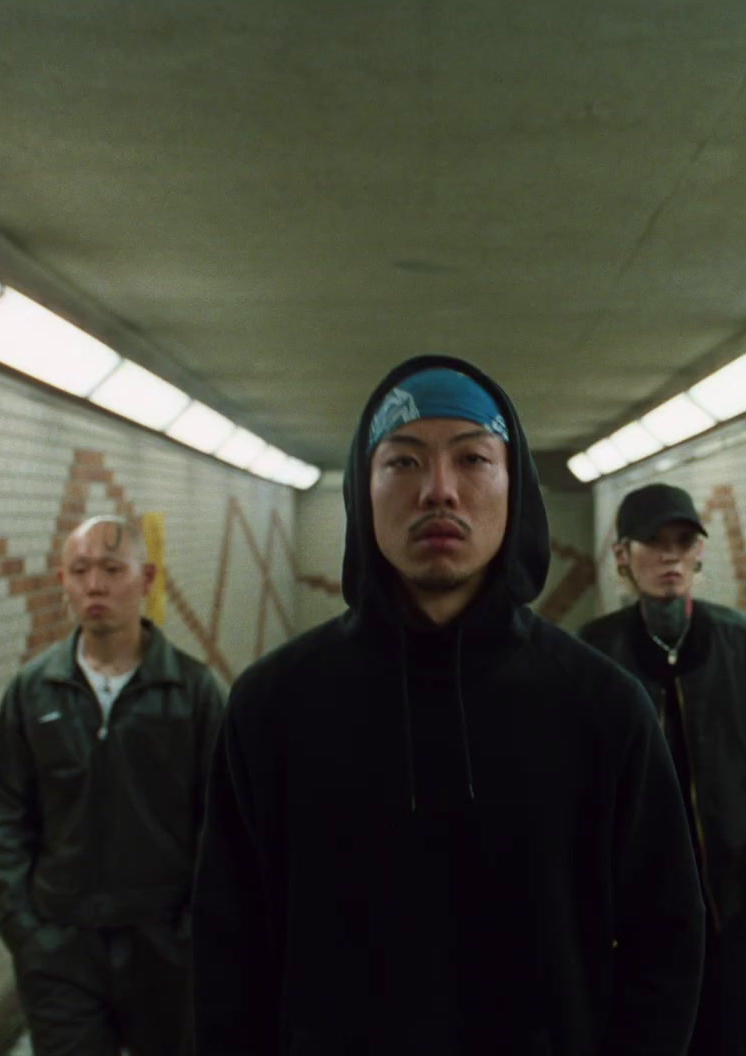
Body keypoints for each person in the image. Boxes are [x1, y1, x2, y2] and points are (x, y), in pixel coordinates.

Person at [191, 356, 704, 1054]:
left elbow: (665, 936)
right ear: (361, 493)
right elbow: (228, 945)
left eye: (472, 460)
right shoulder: (275, 706)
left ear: (514, 487)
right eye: (403, 463)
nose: (440, 491)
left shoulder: (601, 707)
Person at [0, 514, 226, 1056]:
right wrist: (25, 931)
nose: (95, 585)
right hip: (61, 947)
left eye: (112, 569)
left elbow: (225, 822)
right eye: (80, 570)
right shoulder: (33, 693)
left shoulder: (191, 692)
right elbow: (6, 815)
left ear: (146, 580)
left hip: (166, 948)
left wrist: (195, 930)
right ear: (63, 582)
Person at [579, 483, 746, 1056]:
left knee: (728, 1030)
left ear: (700, 554)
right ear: (623, 556)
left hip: (722, 895)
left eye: (683, 541)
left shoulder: (738, 645)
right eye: (652, 543)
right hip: (628, 909)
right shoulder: (596, 657)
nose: (670, 556)